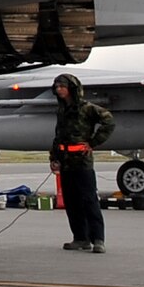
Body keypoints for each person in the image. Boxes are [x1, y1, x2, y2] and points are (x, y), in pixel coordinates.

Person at [49, 73, 115, 253]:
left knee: (89, 200)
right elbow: (58, 136)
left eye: (62, 86)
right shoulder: (62, 110)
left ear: (72, 88)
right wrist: (54, 158)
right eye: (57, 87)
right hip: (66, 162)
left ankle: (98, 239)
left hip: (82, 162)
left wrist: (93, 142)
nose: (59, 90)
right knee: (71, 201)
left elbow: (108, 121)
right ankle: (80, 238)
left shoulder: (87, 108)